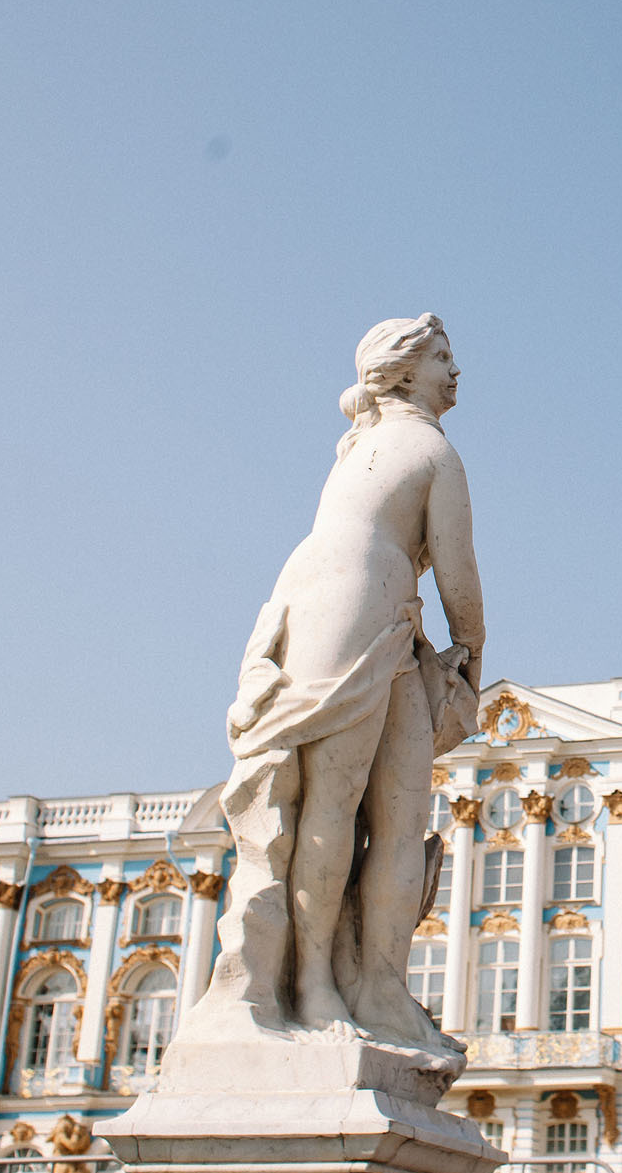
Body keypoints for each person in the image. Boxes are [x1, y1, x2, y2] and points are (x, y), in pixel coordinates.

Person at [181, 313, 484, 1054]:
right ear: (405, 372)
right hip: (352, 602)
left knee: (399, 810)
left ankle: (377, 988)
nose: (457, 369)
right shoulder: (428, 449)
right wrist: (471, 647)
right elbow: (457, 570)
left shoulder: (370, 450)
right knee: (334, 799)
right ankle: (313, 983)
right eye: (444, 356)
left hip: (367, 609)